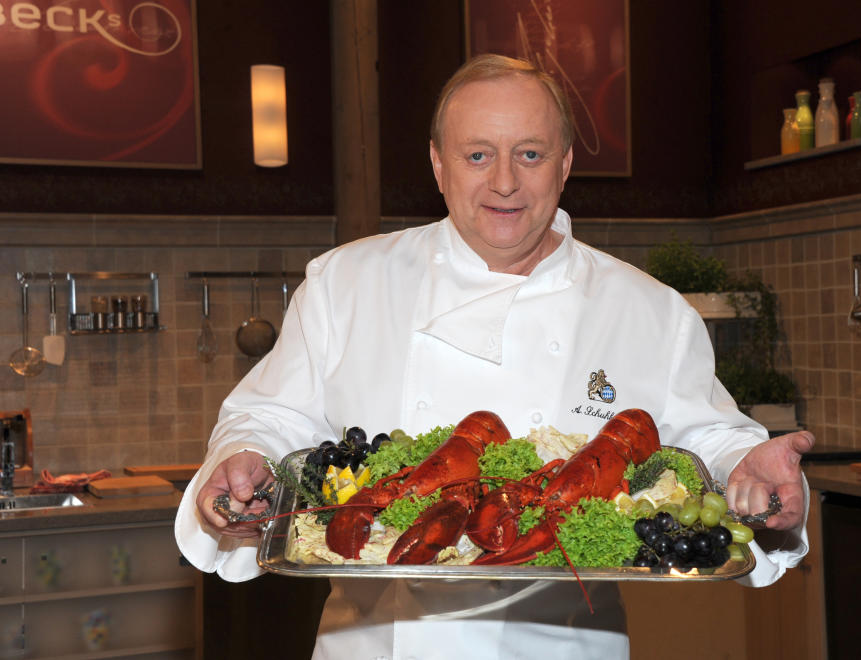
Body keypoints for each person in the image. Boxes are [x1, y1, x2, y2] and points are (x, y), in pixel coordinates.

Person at [175, 54, 814, 659]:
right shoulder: (346, 283)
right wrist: (243, 462)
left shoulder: (650, 310)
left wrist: (747, 465)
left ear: (564, 164)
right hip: (374, 645)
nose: (504, 182)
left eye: (529, 154)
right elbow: (272, 421)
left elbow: (710, 443)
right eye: (478, 154)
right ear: (437, 165)